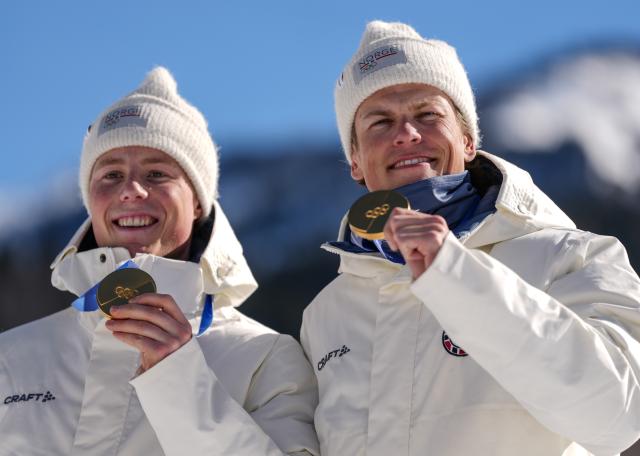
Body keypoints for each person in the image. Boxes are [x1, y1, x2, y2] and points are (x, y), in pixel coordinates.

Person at [300, 20, 640, 456]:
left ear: (467, 140)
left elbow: (621, 417)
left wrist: (457, 276)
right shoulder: (326, 314)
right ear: (356, 163)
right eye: (380, 122)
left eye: (427, 115)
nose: (406, 133)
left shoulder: (575, 255)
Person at [0, 67, 319, 455]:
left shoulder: (263, 357)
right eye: (111, 174)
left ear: (198, 201)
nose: (131, 190)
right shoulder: (12, 357)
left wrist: (179, 378)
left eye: (156, 173)